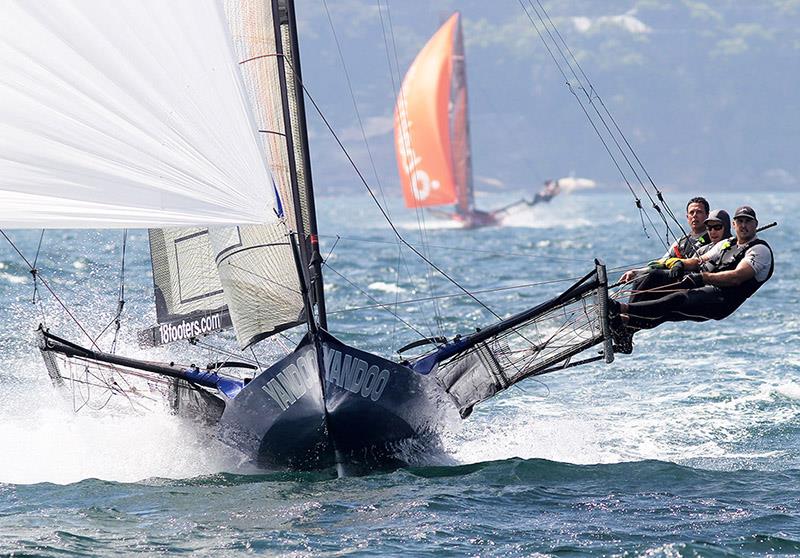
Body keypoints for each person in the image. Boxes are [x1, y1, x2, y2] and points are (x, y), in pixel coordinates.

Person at [611, 205, 773, 353]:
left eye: (748, 222)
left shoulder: (759, 250)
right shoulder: (727, 243)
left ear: (755, 224)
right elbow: (699, 260)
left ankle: (621, 310)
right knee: (656, 279)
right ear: (734, 224)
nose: (743, 225)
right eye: (740, 221)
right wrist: (680, 264)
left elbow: (736, 277)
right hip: (705, 289)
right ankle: (625, 327)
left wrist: (701, 278)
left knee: (676, 300)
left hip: (722, 301)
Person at [619, 196, 711, 285]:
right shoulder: (681, 242)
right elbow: (662, 262)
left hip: (696, 283)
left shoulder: (713, 238)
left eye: (699, 212)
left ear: (707, 215)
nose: (694, 215)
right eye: (691, 212)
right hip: (675, 282)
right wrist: (636, 273)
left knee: (653, 275)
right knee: (643, 279)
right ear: (687, 217)